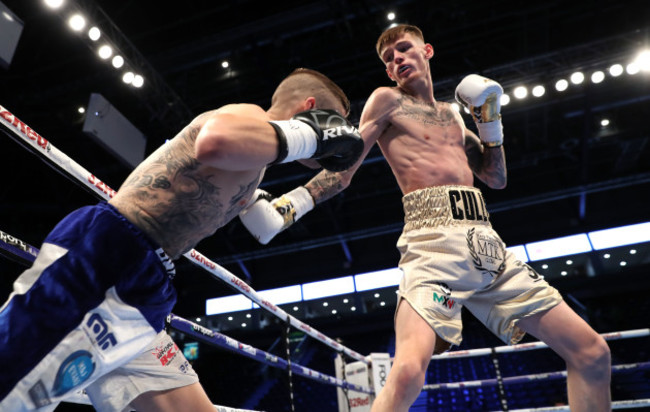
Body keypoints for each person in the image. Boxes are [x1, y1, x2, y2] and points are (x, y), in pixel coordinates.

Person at [240, 25, 612, 411]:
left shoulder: (454, 114)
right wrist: (288, 207)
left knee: (592, 353)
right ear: (387, 72)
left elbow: (495, 178)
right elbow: (345, 165)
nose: (397, 59)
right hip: (432, 243)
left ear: (427, 51)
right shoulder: (387, 100)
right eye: (389, 59)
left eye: (404, 49)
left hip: (486, 242)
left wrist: (489, 121)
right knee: (407, 373)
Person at [0, 68, 363, 411]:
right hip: (109, 255)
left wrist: (324, 186)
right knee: (14, 386)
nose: (336, 136)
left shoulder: (255, 165)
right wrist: (315, 137)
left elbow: (266, 224)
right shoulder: (248, 116)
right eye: (334, 122)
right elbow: (214, 143)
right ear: (310, 110)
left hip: (148, 286)